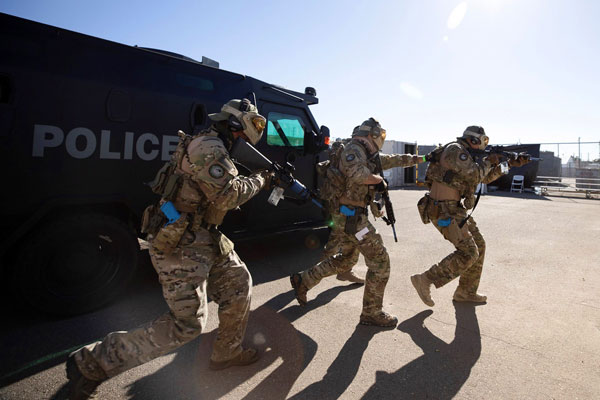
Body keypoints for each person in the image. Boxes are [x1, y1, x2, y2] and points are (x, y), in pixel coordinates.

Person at [65, 99, 273, 399]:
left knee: (238, 283)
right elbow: (227, 196)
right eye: (253, 126)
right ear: (237, 125)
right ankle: (91, 362)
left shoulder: (218, 146)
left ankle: (226, 352)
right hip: (180, 241)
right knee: (187, 325)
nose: (254, 134)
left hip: (204, 236)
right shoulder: (209, 147)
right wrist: (261, 179)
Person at [290, 118, 424, 327]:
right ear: (372, 135)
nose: (380, 140)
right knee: (380, 261)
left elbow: (394, 159)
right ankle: (371, 312)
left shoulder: (367, 153)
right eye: (380, 136)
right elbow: (358, 174)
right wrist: (380, 181)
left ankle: (304, 280)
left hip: (351, 215)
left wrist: (423, 158)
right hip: (350, 216)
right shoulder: (353, 150)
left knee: (346, 260)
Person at [410, 126, 530, 306]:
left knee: (479, 245)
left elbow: (485, 178)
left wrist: (509, 165)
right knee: (469, 253)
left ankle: (466, 292)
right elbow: (475, 175)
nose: (483, 145)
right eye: (483, 140)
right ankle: (426, 279)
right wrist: (489, 161)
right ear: (473, 140)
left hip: (454, 208)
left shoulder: (466, 156)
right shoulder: (456, 150)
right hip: (443, 209)